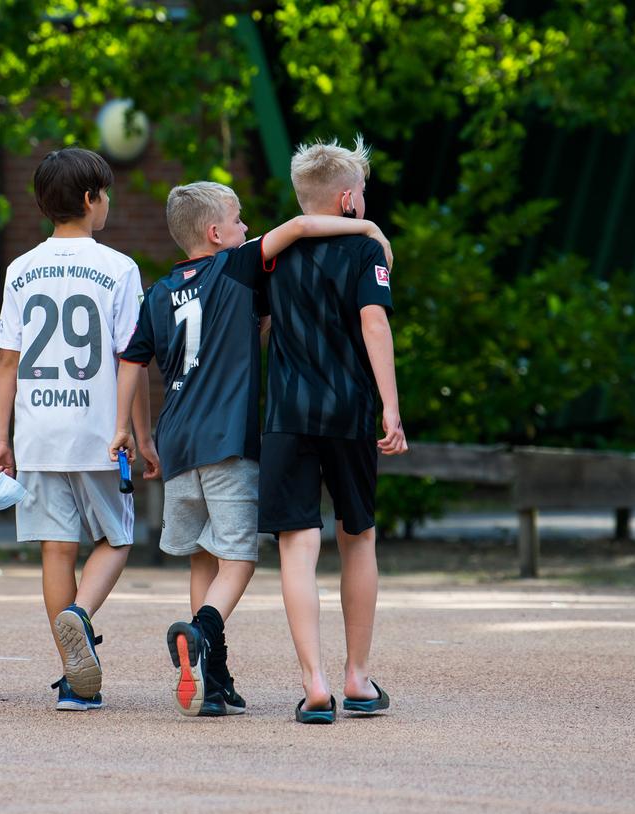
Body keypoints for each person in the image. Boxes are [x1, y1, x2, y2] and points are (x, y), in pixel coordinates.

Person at [109, 181, 392, 717]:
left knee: (202, 556)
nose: (246, 228)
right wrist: (367, 227)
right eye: (239, 221)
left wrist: (130, 431)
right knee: (238, 558)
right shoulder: (236, 267)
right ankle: (201, 630)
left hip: (175, 440)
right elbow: (303, 227)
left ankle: (213, 682)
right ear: (217, 234)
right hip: (227, 440)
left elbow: (131, 360)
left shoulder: (160, 291)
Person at [0, 147, 159, 711]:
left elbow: (7, 362)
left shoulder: (20, 269)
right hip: (97, 432)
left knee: (56, 552)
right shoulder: (119, 268)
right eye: (105, 193)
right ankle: (79, 617)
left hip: (37, 434)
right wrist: (139, 432)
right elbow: (130, 359)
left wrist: (0, 439)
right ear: (90, 199)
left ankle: (72, 683)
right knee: (118, 537)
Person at [257, 137, 408, 724]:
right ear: (348, 199)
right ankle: (357, 676)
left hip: (287, 417)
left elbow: (260, 324)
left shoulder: (271, 253)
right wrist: (389, 408)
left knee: (297, 546)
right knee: (358, 537)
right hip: (348, 413)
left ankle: (314, 682)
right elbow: (374, 323)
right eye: (363, 194)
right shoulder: (364, 253)